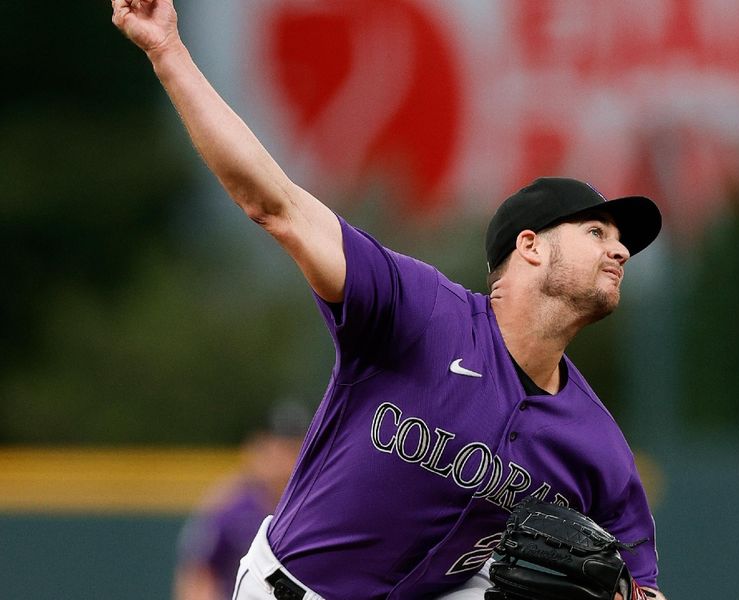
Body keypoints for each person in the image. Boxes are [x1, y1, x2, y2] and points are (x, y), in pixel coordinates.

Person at [111, 2, 668, 598]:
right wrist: (168, 53)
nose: (619, 252)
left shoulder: (596, 444)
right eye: (596, 233)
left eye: (621, 243)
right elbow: (277, 204)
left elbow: (645, 587)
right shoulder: (421, 312)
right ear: (529, 247)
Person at [174, 402, 308, 600]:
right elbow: (199, 572)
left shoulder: (312, 507)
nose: (286, 460)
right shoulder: (231, 506)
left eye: (295, 448)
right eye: (280, 447)